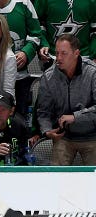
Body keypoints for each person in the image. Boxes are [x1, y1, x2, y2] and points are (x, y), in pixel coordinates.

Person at [37, 34, 96, 165]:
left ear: (76, 53)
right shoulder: (48, 77)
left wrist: (75, 117)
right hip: (64, 137)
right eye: (57, 53)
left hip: (92, 136)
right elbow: (43, 112)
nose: (58, 58)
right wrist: (47, 131)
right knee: (56, 177)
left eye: (64, 53)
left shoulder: (92, 73)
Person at [35, 0, 96, 70]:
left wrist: (94, 54)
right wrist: (43, 44)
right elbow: (36, 25)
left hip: (84, 57)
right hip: (53, 57)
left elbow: (94, 29)